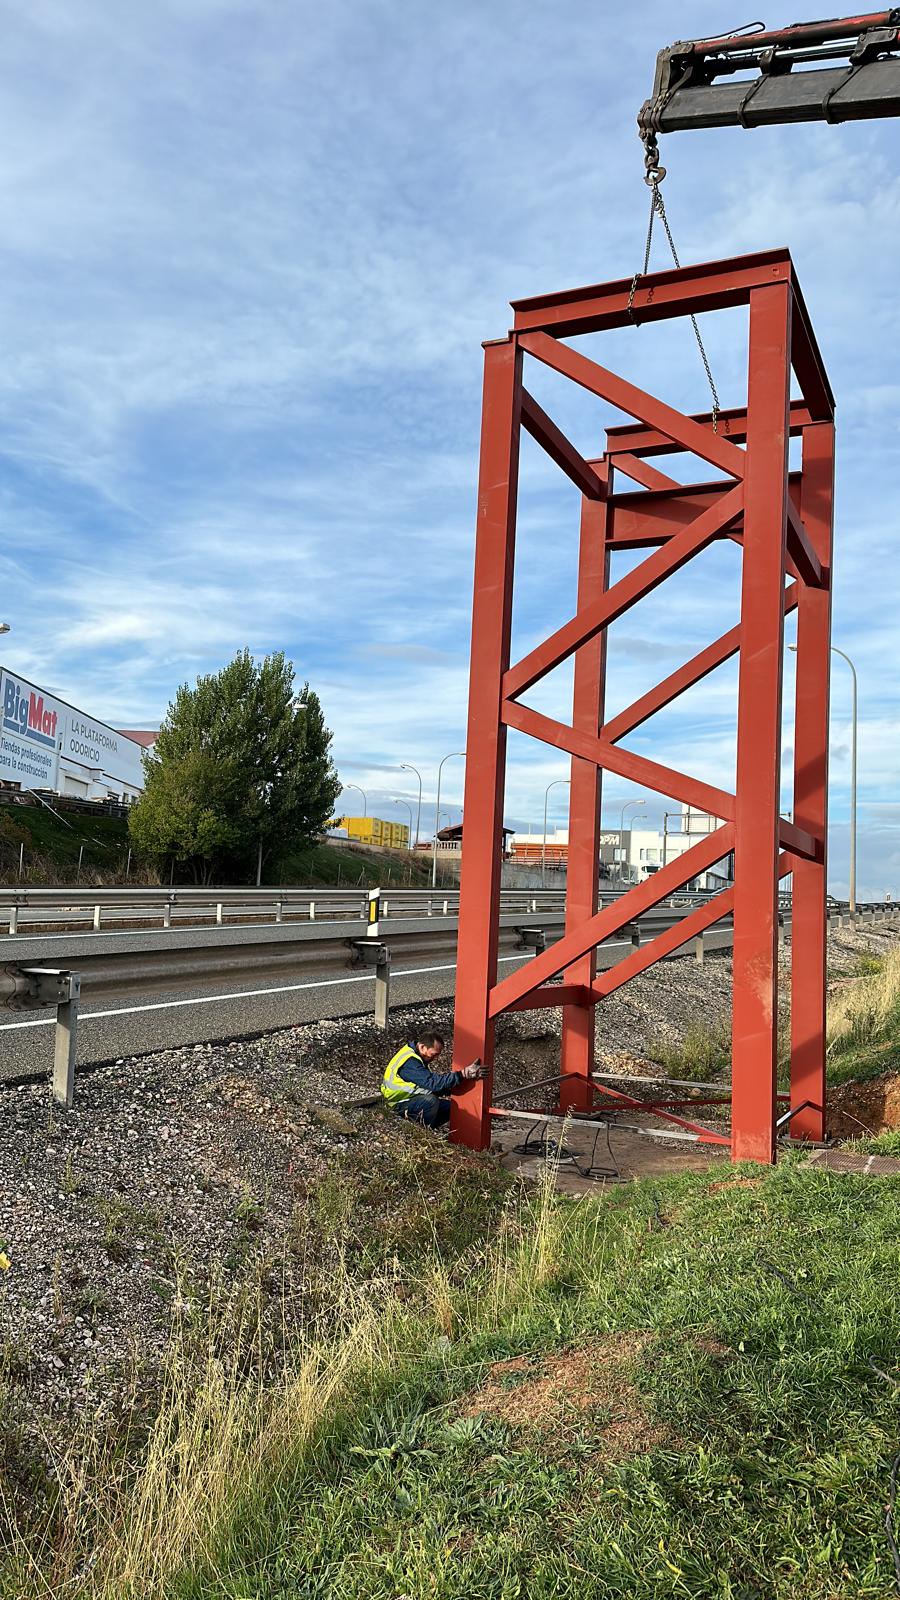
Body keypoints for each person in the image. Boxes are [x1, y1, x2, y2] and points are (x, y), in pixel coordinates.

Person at [380, 1031, 483, 1129]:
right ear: (422, 1047)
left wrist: (462, 1081)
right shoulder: (410, 1062)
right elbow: (432, 1083)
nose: (436, 1058)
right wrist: (463, 1074)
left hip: (410, 1100)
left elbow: (431, 1086)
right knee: (431, 1101)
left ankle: (427, 1127)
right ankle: (421, 1131)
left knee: (451, 1108)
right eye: (434, 1054)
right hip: (397, 1104)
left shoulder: (418, 1059)